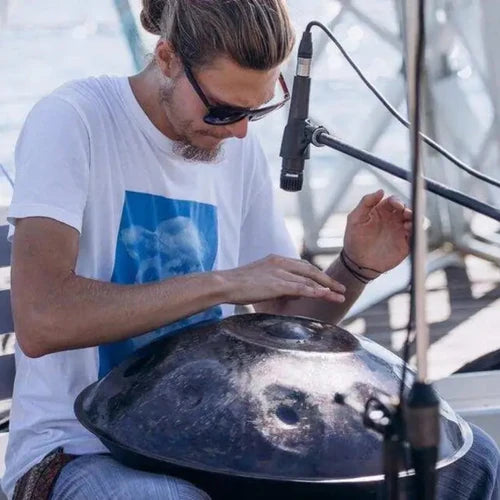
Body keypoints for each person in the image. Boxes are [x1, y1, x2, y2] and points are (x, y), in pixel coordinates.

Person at [1, 0, 498, 499]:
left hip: (215, 442)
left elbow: (286, 318)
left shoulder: (233, 146)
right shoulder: (75, 119)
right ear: (168, 58)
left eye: (257, 110)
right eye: (223, 110)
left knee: (472, 462)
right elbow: (43, 320)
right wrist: (223, 283)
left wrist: (356, 266)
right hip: (79, 449)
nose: (240, 131)